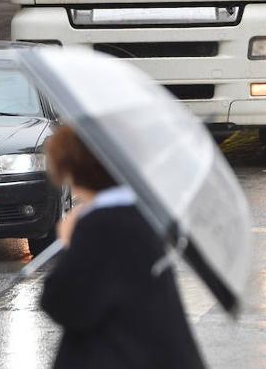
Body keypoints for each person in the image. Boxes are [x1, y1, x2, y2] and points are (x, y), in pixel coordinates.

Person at [40, 127, 205, 369]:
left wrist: (69, 243)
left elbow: (65, 304)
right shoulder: (139, 216)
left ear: (77, 169)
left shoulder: (102, 226)